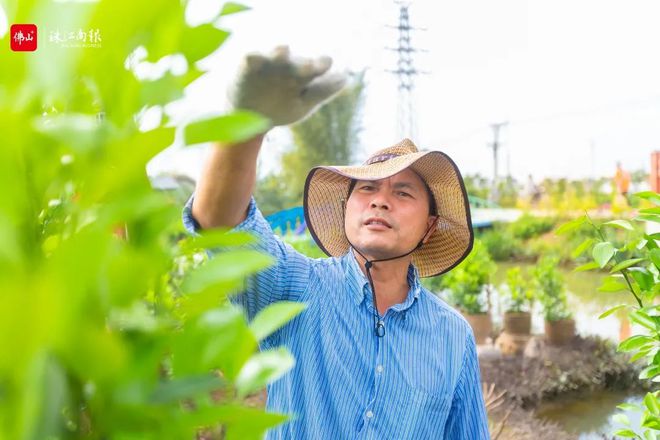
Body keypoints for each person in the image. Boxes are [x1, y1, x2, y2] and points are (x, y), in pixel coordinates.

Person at [183, 47, 489, 439]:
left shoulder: (452, 336)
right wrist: (245, 126)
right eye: (366, 188)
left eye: (403, 193)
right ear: (346, 210)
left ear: (430, 227)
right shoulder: (296, 288)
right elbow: (220, 226)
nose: (380, 199)